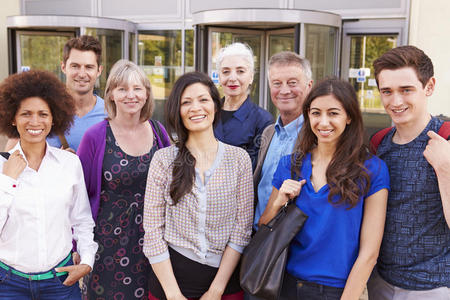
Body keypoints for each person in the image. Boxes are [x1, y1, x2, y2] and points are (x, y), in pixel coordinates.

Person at [259, 78, 389, 300]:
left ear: (349, 116)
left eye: (333, 113)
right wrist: (279, 200)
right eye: (316, 113)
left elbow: (370, 253)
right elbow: (264, 226)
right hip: (287, 285)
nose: (323, 122)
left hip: (339, 290)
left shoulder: (372, 169)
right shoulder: (290, 165)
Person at [143, 71, 253, 300]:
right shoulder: (163, 160)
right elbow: (153, 232)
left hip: (225, 282)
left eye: (203, 100)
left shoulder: (239, 159)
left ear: (215, 105)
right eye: (186, 102)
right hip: (171, 281)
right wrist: (173, 294)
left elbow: (241, 230)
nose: (196, 108)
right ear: (177, 110)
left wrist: (216, 290)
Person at [77, 59, 171, 300]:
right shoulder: (95, 136)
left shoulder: (159, 132)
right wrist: (78, 248)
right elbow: (76, 197)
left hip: (153, 244)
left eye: (137, 88)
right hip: (106, 246)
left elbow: (175, 183)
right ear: (110, 94)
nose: (131, 95)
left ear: (147, 94)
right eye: (122, 89)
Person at [0, 70, 97, 299]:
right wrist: (8, 181)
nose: (35, 122)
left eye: (43, 114)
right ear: (12, 118)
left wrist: (87, 261)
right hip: (8, 285)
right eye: (26, 114)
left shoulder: (69, 164)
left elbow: (82, 220)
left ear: (54, 118)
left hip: (60, 283)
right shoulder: (1, 168)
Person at [367, 46, 450, 299]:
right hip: (380, 281)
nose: (395, 102)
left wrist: (444, 169)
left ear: (429, 86)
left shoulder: (446, 139)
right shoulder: (378, 144)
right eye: (387, 92)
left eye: (406, 90)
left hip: (432, 287)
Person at [4, 35, 106, 153]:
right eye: (75, 66)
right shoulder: (43, 109)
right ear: (63, 67)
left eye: (89, 67)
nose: (82, 74)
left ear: (99, 71)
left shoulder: (110, 114)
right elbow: (9, 157)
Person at [253, 51, 313, 229]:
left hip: (290, 240)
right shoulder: (268, 132)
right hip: (259, 236)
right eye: (277, 83)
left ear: (309, 86)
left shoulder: (316, 136)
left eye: (292, 83)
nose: (284, 90)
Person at [213, 42, 273, 170]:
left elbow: (257, 168)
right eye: (226, 72)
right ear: (219, 76)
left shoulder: (262, 120)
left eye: (240, 71)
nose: (232, 78)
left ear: (251, 77)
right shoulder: (208, 112)